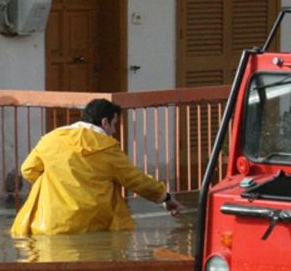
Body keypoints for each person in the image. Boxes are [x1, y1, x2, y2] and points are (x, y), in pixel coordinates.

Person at [10, 99, 181, 237]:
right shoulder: (108, 149)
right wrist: (164, 197)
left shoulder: (51, 139)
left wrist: (56, 182)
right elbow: (136, 180)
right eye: (114, 125)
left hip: (49, 224)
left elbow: (28, 170)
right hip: (93, 226)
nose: (114, 131)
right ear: (105, 122)